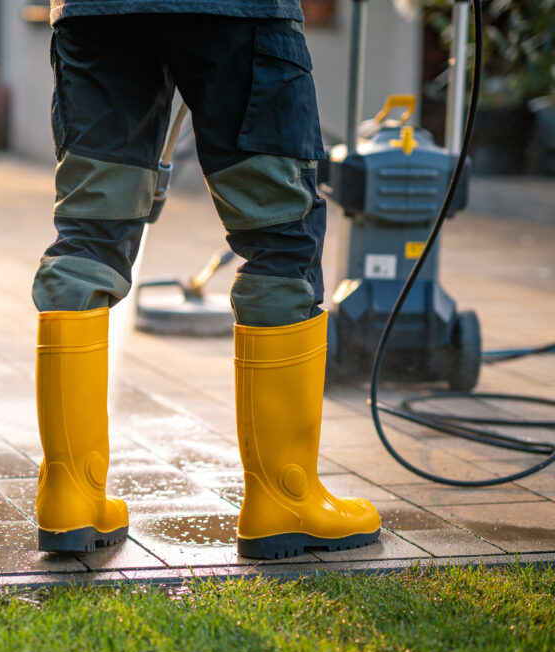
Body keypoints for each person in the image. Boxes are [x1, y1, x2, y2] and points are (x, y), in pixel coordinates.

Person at [32, 0, 382, 559]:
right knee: (278, 237)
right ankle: (284, 498)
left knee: (88, 233)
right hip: (234, 11)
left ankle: (68, 495)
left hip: (96, 11)